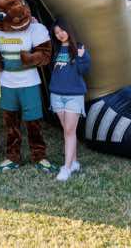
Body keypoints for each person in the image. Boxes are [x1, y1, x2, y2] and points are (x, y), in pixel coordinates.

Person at [50, 18, 91, 182]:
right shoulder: (55, 49)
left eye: (62, 30)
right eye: (56, 32)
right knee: (68, 131)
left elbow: (83, 70)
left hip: (74, 95)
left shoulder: (79, 48)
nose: (60, 34)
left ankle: (66, 168)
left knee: (69, 130)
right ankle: (73, 162)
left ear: (68, 30)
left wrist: (81, 57)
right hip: (56, 95)